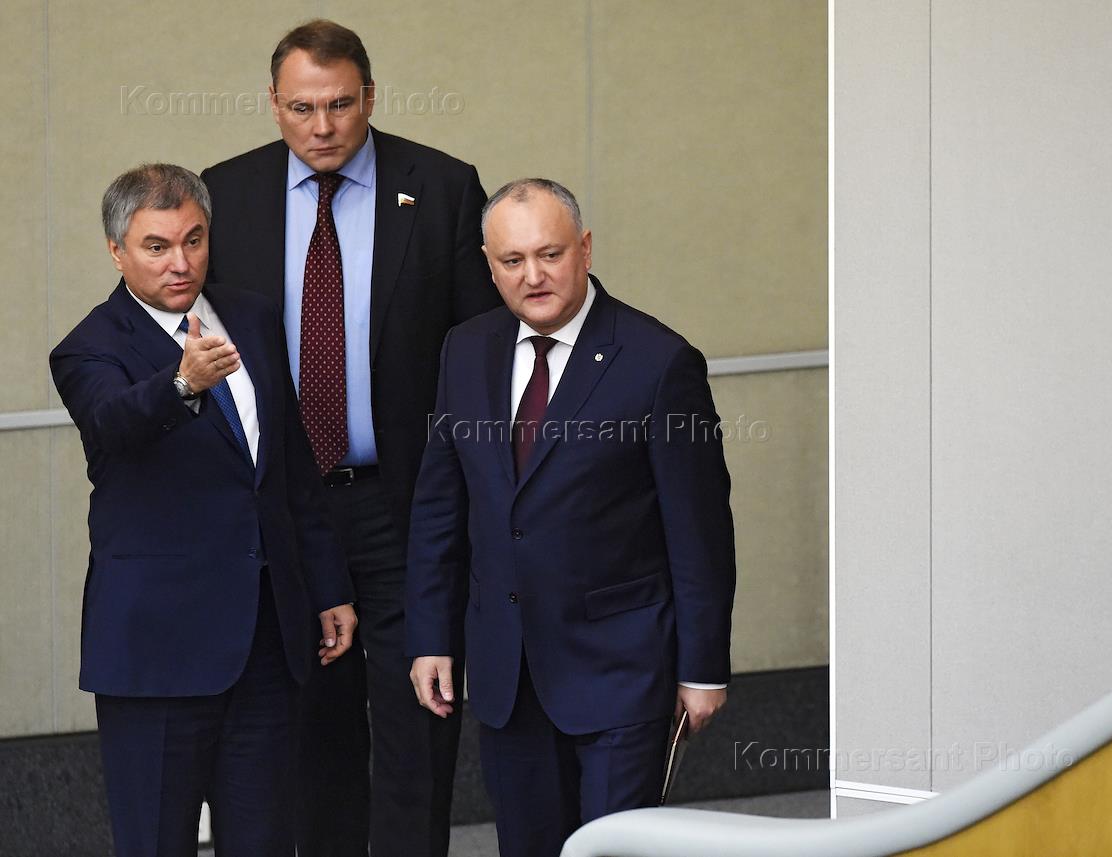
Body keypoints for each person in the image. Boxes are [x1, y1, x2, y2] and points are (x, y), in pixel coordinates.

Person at [200, 19, 501, 857]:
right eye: (302, 108)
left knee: (418, 721)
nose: (322, 127)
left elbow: (482, 351)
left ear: (370, 96)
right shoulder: (226, 195)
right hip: (291, 510)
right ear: (273, 104)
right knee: (314, 728)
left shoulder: (441, 187)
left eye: (339, 105)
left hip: (407, 504)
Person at [407, 178, 737, 857]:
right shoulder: (465, 349)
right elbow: (441, 504)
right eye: (512, 260)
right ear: (489, 265)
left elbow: (700, 530)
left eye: (550, 254)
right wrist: (431, 635)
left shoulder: (658, 361)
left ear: (584, 249)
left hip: (621, 671)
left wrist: (703, 667)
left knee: (614, 850)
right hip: (508, 670)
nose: (533, 276)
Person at [50, 163, 357, 857]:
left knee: (266, 838)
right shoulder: (90, 346)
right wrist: (182, 383)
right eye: (157, 246)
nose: (181, 262)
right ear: (117, 251)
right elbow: (112, 423)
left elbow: (288, 469)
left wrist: (328, 586)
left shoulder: (250, 316)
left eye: (193, 240)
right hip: (158, 651)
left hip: (264, 643)